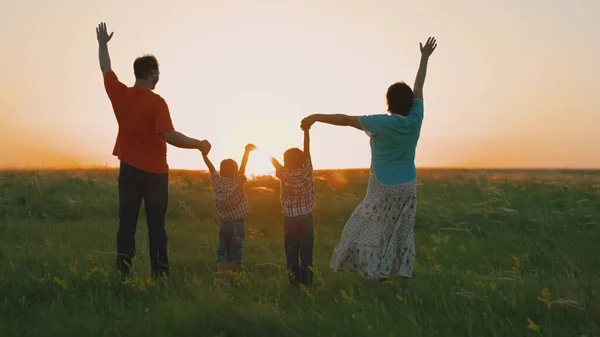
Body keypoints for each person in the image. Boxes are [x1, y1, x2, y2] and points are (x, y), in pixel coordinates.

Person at [301, 37, 438, 293]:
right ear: (409, 103)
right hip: (408, 186)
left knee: (365, 227)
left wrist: (315, 117)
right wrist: (424, 58)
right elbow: (419, 87)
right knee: (403, 233)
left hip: (382, 186)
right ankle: (404, 285)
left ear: (388, 103)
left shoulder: (381, 123)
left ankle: (377, 276)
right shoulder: (416, 118)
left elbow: (344, 119)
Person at [96, 22, 211, 277]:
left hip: (128, 171)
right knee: (156, 227)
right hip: (155, 175)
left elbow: (106, 68)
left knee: (126, 225)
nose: (159, 77)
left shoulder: (120, 94)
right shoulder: (157, 103)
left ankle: (123, 273)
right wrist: (199, 145)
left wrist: (102, 44)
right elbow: (169, 135)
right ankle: (160, 275)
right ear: (150, 72)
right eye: (157, 72)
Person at [201, 144, 256, 281]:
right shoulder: (238, 182)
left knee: (222, 253)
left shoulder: (217, 183)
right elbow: (244, 165)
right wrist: (246, 151)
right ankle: (232, 281)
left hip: (223, 224)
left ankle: (220, 279)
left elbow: (211, 168)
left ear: (221, 171)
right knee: (235, 254)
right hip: (238, 224)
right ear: (236, 171)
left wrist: (204, 154)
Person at [270, 129, 316, 287]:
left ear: (286, 161)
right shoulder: (307, 170)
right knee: (306, 252)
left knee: (291, 253)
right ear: (304, 160)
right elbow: (307, 148)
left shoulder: (283, 173)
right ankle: (308, 284)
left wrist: (256, 150)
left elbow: (273, 161)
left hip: (290, 219)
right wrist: (306, 132)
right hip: (306, 218)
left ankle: (294, 284)